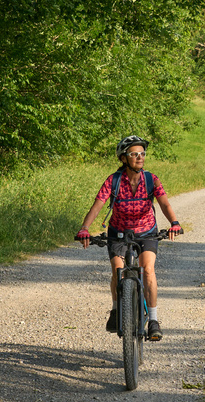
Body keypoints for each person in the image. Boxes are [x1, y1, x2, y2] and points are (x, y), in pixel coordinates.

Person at [76, 135, 183, 341]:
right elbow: (98, 204)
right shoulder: (113, 180)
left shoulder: (151, 179)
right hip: (118, 232)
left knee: (148, 270)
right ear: (124, 158)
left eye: (142, 154)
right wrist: (85, 228)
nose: (140, 157)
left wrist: (174, 223)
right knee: (118, 271)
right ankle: (117, 310)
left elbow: (164, 204)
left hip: (147, 232)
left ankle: (153, 320)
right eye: (134, 154)